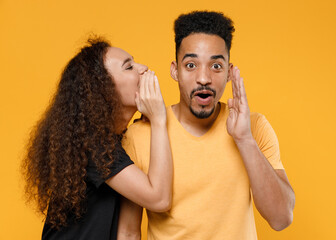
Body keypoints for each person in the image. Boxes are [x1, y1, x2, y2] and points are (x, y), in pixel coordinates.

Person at [120, 11, 295, 239]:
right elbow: (128, 232)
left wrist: (245, 140)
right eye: (191, 65)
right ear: (175, 70)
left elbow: (281, 218)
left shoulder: (255, 128)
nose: (204, 78)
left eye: (216, 66)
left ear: (230, 72)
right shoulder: (140, 136)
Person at [22, 37, 173, 240]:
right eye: (128, 67)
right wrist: (159, 119)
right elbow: (159, 199)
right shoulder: (95, 146)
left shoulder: (119, 141)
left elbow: (128, 232)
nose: (143, 68)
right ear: (104, 90)